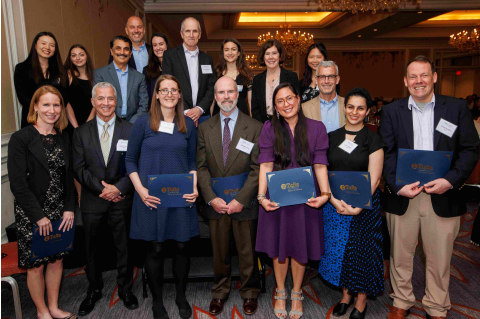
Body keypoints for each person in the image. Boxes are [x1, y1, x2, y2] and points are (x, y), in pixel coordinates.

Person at [379, 56, 480, 319]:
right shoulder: (392, 111)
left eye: (424, 75)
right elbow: (386, 154)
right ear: (405, 81)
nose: (419, 81)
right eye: (413, 77)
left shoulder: (456, 108)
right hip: (404, 196)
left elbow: (470, 149)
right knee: (400, 256)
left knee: (439, 258)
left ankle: (436, 306)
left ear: (434, 77)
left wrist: (451, 180)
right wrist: (397, 186)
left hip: (443, 194)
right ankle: (401, 301)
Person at [125, 74, 199, 319]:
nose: (169, 94)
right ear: (156, 94)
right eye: (163, 90)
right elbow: (129, 160)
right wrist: (141, 190)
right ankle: (158, 302)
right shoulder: (143, 123)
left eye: (173, 90)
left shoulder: (187, 124)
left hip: (180, 197)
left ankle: (180, 296)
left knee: (181, 246)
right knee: (155, 249)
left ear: (179, 95)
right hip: (150, 197)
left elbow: (191, 161)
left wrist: (194, 187)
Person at [256, 83, 330, 319]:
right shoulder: (269, 128)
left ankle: (296, 292)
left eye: (290, 98)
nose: (286, 104)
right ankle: (280, 290)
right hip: (277, 197)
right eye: (280, 101)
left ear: (298, 100)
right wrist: (260, 196)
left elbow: (320, 163)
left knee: (299, 245)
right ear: (275, 107)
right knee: (279, 246)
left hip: (306, 198)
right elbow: (266, 163)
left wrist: (325, 195)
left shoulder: (317, 128)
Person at [8, 85, 76, 319]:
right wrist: (38, 216)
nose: (52, 109)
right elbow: (17, 183)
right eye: (46, 104)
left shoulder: (64, 137)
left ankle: (54, 307)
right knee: (36, 264)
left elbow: (68, 176)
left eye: (56, 105)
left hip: (59, 210)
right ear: (35, 106)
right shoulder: (21, 138)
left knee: (56, 260)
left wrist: (69, 208)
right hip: (33, 212)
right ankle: (41, 311)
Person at [197, 77, 263, 316]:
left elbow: (258, 168)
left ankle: (250, 292)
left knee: (247, 252)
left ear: (237, 94)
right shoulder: (205, 127)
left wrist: (241, 199)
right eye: (221, 93)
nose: (226, 96)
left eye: (230, 92)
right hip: (216, 203)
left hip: (244, 202)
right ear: (215, 97)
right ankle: (220, 291)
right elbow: (201, 167)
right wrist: (211, 197)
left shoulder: (255, 127)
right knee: (220, 251)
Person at [318, 87, 385, 319]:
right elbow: (324, 170)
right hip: (335, 204)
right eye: (350, 107)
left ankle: (361, 300)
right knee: (340, 251)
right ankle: (346, 296)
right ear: (344, 108)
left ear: (367, 111)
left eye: (360, 108)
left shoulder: (373, 139)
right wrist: (333, 200)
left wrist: (358, 206)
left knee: (362, 253)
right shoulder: (331, 137)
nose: (354, 112)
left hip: (364, 206)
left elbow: (375, 177)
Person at [73, 82, 138, 316]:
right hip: (93, 200)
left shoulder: (130, 130)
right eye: (101, 98)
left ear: (116, 101)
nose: (106, 103)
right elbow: (79, 169)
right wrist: (103, 189)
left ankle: (126, 289)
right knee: (92, 250)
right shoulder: (81, 132)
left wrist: (118, 188)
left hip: (121, 199)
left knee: (124, 248)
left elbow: (135, 164)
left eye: (110, 98)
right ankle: (94, 289)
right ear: (93, 102)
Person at [162, 17, 215, 125]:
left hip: (203, 116)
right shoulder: (170, 56)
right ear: (182, 34)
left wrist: (199, 109)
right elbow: (167, 85)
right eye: (187, 31)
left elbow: (211, 87)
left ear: (199, 34)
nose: (191, 35)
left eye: (195, 31)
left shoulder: (207, 59)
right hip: (178, 114)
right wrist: (186, 111)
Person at [14, 31, 69, 128]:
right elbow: (22, 97)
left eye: (52, 45)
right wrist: (43, 112)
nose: (47, 47)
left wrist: (52, 112)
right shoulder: (22, 69)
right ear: (35, 45)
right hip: (32, 121)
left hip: (56, 121)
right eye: (43, 43)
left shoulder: (61, 70)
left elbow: (65, 96)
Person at [94, 35, 148, 124]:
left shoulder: (140, 77)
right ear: (111, 51)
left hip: (133, 124)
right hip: (108, 123)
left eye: (126, 49)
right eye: (118, 48)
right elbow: (99, 102)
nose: (122, 52)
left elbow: (144, 105)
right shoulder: (100, 74)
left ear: (130, 53)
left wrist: (130, 124)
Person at [251, 39, 299, 123]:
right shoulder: (257, 79)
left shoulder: (291, 76)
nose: (271, 57)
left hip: (287, 122)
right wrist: (262, 127)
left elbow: (296, 103)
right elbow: (255, 108)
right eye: (267, 54)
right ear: (263, 57)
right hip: (264, 124)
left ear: (280, 56)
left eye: (274, 53)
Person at [212, 38, 254, 116]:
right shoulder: (216, 73)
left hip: (241, 113)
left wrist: (252, 121)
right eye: (226, 50)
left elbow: (250, 100)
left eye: (233, 49)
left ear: (238, 53)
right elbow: (213, 100)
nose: (230, 53)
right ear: (223, 53)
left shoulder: (247, 74)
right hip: (219, 113)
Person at [302, 61, 345, 133]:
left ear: (337, 79)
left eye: (331, 76)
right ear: (316, 80)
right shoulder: (305, 108)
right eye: (322, 77)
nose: (326, 81)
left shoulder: (348, 105)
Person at [64, 44, 96, 133]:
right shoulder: (67, 76)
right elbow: (66, 103)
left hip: (91, 123)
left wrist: (87, 126)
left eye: (81, 54)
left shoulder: (95, 76)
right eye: (74, 55)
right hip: (71, 124)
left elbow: (96, 103)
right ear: (70, 58)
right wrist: (77, 128)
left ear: (86, 56)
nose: (78, 58)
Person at [143, 32, 169, 108]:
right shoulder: (146, 70)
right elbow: (147, 96)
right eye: (155, 45)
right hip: (155, 111)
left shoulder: (176, 66)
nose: (158, 48)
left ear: (166, 45)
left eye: (161, 44)